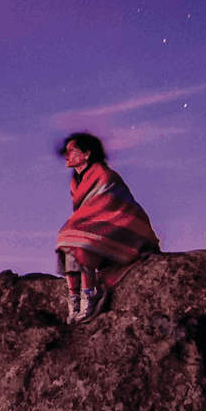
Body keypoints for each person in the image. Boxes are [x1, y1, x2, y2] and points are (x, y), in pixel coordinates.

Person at [55, 132, 161, 322]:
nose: (66, 154)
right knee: (68, 242)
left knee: (76, 237)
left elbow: (108, 205)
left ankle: (89, 294)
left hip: (123, 224)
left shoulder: (104, 174)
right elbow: (87, 212)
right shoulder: (75, 182)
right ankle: (74, 302)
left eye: (70, 150)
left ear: (86, 154)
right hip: (97, 224)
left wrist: (79, 227)